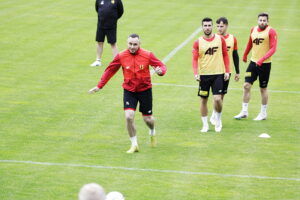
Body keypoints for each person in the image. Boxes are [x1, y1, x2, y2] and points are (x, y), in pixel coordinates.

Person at [89, 34, 167, 153]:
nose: (132, 47)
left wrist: (160, 71)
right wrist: (99, 86)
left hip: (145, 90)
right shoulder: (121, 56)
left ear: (139, 44)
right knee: (129, 116)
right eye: (130, 44)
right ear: (127, 43)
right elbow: (110, 70)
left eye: (135, 44)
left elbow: (161, 66)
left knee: (148, 119)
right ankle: (134, 144)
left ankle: (152, 131)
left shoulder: (147, 55)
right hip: (129, 91)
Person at [234, 12, 277, 120]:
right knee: (246, 85)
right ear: (257, 20)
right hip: (253, 63)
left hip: (265, 65)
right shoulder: (253, 29)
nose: (262, 22)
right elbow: (250, 43)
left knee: (263, 88)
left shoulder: (271, 31)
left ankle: (263, 113)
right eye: (260, 20)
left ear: (267, 21)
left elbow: (273, 48)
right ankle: (244, 111)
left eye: (264, 20)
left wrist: (262, 59)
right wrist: (245, 54)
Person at [192, 17, 230, 133]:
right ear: (202, 27)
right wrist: (196, 73)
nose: (207, 28)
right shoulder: (198, 42)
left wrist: (227, 71)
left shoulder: (220, 39)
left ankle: (218, 120)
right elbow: (194, 59)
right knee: (203, 100)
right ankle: (205, 125)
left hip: (218, 73)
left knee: (218, 99)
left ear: (212, 26)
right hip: (204, 75)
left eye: (209, 25)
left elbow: (225, 55)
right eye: (205, 26)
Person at [210, 17, 240, 125]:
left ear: (226, 26)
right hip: (215, 70)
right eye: (217, 26)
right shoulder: (213, 38)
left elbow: (235, 55)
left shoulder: (232, 39)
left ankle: (217, 114)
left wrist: (237, 71)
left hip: (227, 71)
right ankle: (214, 115)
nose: (219, 28)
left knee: (221, 96)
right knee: (216, 95)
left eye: (221, 26)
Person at [90, 0, 124, 67]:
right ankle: (98, 61)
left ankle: (116, 62)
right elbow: (97, 9)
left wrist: (114, 19)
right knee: (99, 42)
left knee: (113, 43)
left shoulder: (117, 1)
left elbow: (121, 11)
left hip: (111, 26)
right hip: (101, 25)